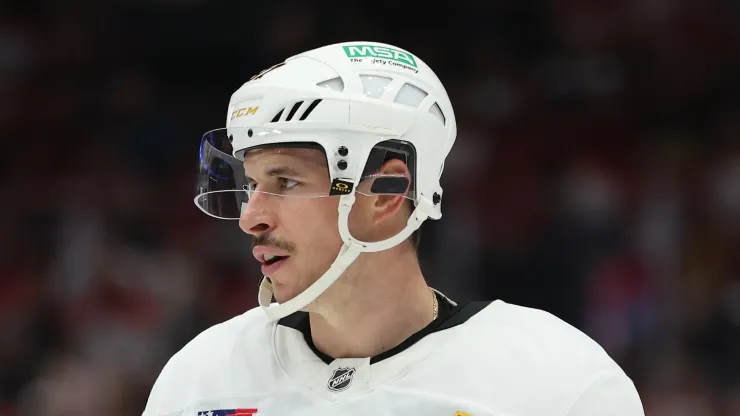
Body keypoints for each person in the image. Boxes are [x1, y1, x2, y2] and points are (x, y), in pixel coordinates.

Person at [143, 41, 645, 416]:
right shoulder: (199, 379)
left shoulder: (557, 382)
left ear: (387, 191)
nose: (252, 216)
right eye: (251, 185)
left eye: (286, 181)